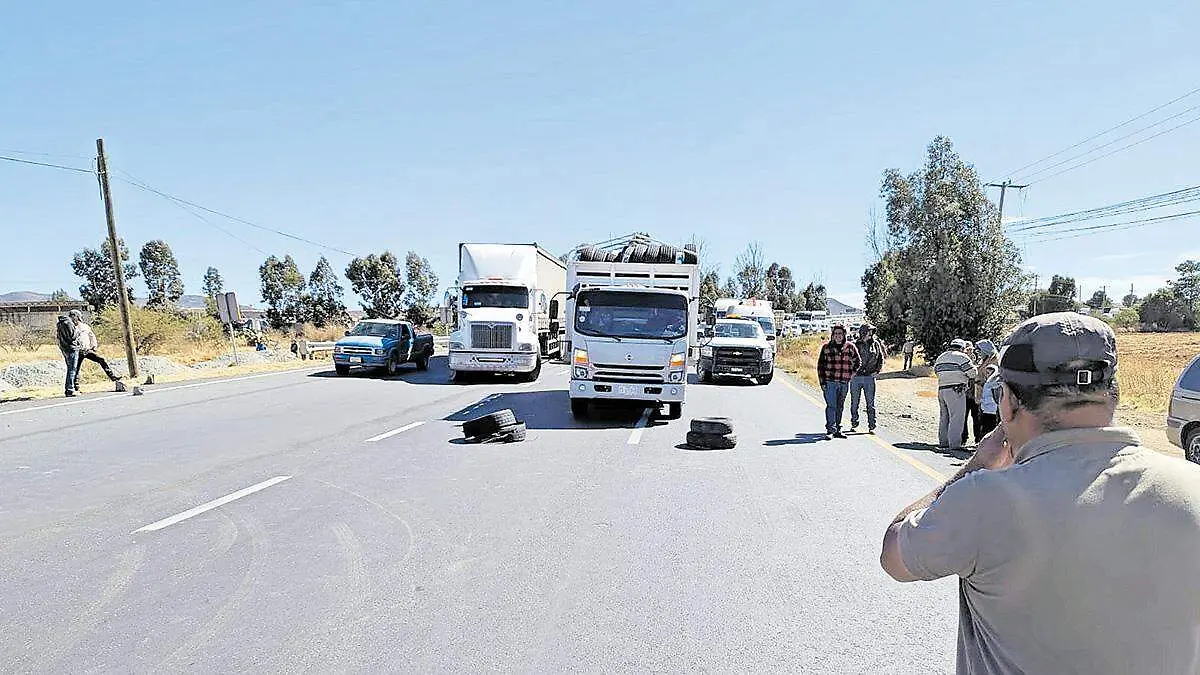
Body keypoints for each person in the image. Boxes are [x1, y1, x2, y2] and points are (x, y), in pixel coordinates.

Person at [880, 312, 1200, 674]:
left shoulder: (985, 498)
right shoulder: (1192, 486)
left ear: (1009, 403)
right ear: (1114, 393)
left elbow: (895, 554)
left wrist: (975, 466)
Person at [816, 324, 860, 440]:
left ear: (844, 334)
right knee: (831, 406)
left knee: (840, 406)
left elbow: (857, 361)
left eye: (840, 334)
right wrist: (822, 383)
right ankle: (830, 430)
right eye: (835, 334)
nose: (838, 336)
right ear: (832, 335)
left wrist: (852, 374)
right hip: (830, 382)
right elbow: (820, 366)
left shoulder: (850, 347)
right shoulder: (826, 348)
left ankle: (838, 430)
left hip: (844, 382)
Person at [934, 339, 977, 450]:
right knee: (956, 417)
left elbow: (936, 371)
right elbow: (973, 373)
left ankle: (943, 441)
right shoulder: (962, 357)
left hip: (942, 389)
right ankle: (954, 444)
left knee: (944, 416)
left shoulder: (941, 357)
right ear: (962, 348)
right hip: (956, 390)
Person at [69, 309, 124, 392]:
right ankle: (76, 387)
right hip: (77, 351)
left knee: (101, 359)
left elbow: (92, 336)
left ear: (77, 317)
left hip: (87, 350)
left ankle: (113, 377)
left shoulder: (85, 326)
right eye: (71, 316)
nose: (72, 318)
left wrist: (94, 345)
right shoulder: (71, 328)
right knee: (76, 369)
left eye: (73, 316)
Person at [849, 323, 886, 434]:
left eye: (872, 331)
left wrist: (877, 371)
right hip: (856, 378)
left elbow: (880, 358)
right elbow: (849, 359)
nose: (871, 333)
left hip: (870, 377)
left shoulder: (876, 344)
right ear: (863, 332)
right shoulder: (855, 344)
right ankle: (854, 423)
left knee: (870, 403)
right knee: (855, 402)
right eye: (869, 331)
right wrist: (851, 372)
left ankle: (872, 426)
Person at [970, 340, 999, 441]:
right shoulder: (984, 360)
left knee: (990, 421)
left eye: (981, 351)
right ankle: (979, 439)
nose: (980, 353)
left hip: (990, 394)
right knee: (979, 418)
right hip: (981, 393)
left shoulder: (995, 360)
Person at [55, 313, 82, 397]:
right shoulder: (69, 323)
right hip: (72, 348)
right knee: (72, 369)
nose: (77, 320)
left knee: (70, 368)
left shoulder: (60, 324)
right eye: (77, 318)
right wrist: (78, 332)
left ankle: (69, 389)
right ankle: (70, 389)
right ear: (74, 316)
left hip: (64, 348)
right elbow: (72, 336)